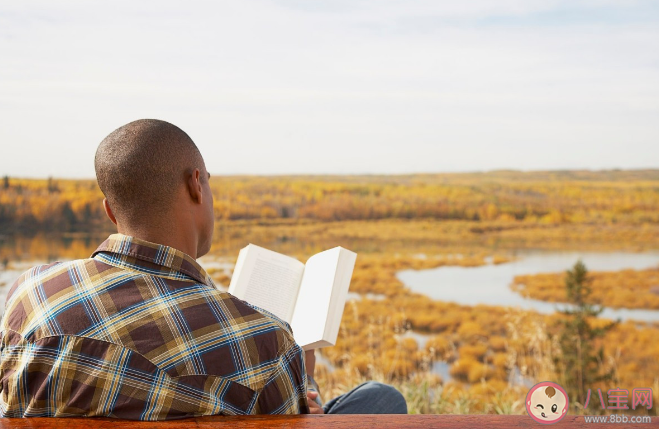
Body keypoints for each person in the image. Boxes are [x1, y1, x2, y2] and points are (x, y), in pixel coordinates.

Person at [0, 119, 407, 419]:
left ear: (110, 210)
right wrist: (306, 380)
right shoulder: (264, 341)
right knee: (381, 398)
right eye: (208, 182)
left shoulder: (28, 295)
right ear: (196, 184)